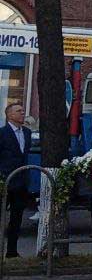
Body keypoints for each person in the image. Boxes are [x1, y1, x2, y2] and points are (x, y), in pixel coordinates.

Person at [1, 102, 33, 259]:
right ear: (10, 115)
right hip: (5, 181)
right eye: (19, 111)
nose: (22, 113)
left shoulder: (26, 133)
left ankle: (12, 251)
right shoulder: (2, 133)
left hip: (20, 182)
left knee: (16, 218)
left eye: (22, 110)